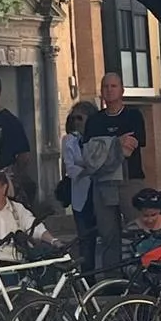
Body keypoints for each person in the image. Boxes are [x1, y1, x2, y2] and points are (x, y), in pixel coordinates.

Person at [84, 73, 148, 269]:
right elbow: (89, 154)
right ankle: (111, 281)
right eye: (105, 86)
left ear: (122, 89)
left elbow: (131, 147)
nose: (109, 90)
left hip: (130, 180)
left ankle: (140, 277)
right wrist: (116, 143)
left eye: (113, 86)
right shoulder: (94, 121)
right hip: (103, 182)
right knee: (107, 233)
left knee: (136, 228)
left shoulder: (133, 116)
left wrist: (105, 146)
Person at [0, 171, 52, 264]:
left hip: (15, 259)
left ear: (4, 188)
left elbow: (35, 227)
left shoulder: (17, 208)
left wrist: (54, 241)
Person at [62, 103, 97, 272]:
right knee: (85, 237)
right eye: (73, 118)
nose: (76, 122)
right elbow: (71, 168)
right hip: (80, 194)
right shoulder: (69, 140)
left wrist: (85, 167)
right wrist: (88, 169)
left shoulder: (97, 139)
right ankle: (87, 276)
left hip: (98, 192)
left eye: (80, 118)